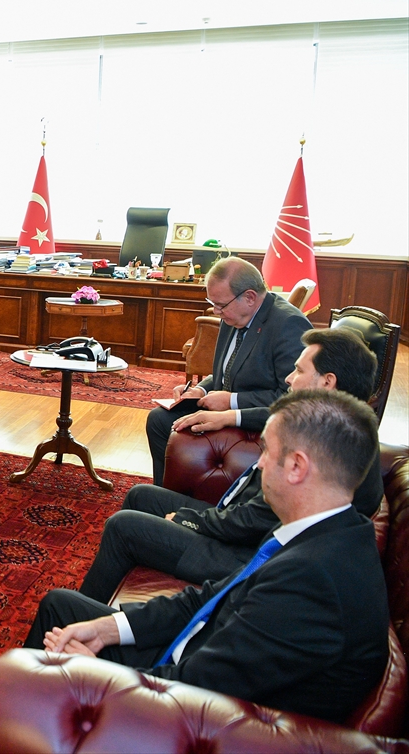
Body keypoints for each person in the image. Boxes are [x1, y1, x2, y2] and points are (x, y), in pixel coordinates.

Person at [23, 390, 387, 726]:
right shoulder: (324, 531)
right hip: (190, 657)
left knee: (27, 659)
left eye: (266, 452)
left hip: (195, 716)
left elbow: (201, 691)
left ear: (297, 466)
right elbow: (208, 598)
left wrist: (98, 675)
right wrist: (107, 627)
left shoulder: (312, 582)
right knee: (61, 607)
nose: (259, 465)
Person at [79, 327, 382, 602]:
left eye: (299, 370)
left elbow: (252, 522)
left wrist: (187, 520)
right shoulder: (335, 426)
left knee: (123, 527)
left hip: (244, 556)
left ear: (327, 382)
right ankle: (110, 588)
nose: (289, 379)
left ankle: (83, 620)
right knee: (140, 496)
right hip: (239, 524)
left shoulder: (322, 449)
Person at [146, 256, 311, 486]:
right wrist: (201, 391)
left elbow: (291, 399)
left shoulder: (288, 325)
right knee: (159, 420)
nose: (216, 311)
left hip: (254, 418)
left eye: (221, 305)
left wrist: (231, 401)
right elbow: (229, 370)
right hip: (222, 405)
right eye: (213, 303)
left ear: (250, 297)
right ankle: (167, 492)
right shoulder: (234, 315)